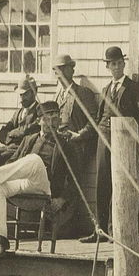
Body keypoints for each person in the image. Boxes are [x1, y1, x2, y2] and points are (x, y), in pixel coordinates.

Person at [0, 100, 66, 256]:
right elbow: (12, 162)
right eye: (48, 119)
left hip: (45, 188)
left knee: (34, 160)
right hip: (25, 184)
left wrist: (62, 199)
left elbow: (75, 178)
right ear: (39, 121)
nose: (52, 123)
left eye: (56, 119)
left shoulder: (66, 144)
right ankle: (0, 239)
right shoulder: (29, 140)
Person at [85, 46, 139, 243]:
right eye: (112, 64)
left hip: (123, 141)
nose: (116, 67)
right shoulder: (106, 89)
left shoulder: (134, 88)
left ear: (123, 64)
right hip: (104, 139)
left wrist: (129, 133)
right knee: (102, 184)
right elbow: (100, 116)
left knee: (120, 184)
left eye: (119, 63)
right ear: (107, 67)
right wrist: (100, 130)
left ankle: (116, 230)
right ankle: (100, 230)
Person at [52, 54, 101, 238]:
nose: (57, 75)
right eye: (55, 71)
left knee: (73, 181)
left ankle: (67, 225)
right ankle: (56, 220)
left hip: (78, 145)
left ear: (69, 70)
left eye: (60, 70)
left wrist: (79, 135)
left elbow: (93, 122)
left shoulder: (83, 93)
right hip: (60, 143)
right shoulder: (58, 94)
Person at [0, 75, 41, 145]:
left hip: (26, 151)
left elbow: (27, 131)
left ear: (34, 92)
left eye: (25, 94)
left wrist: (9, 135)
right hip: (11, 149)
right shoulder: (18, 112)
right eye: (20, 95)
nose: (22, 98)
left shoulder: (40, 112)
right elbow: (1, 134)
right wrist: (13, 137)